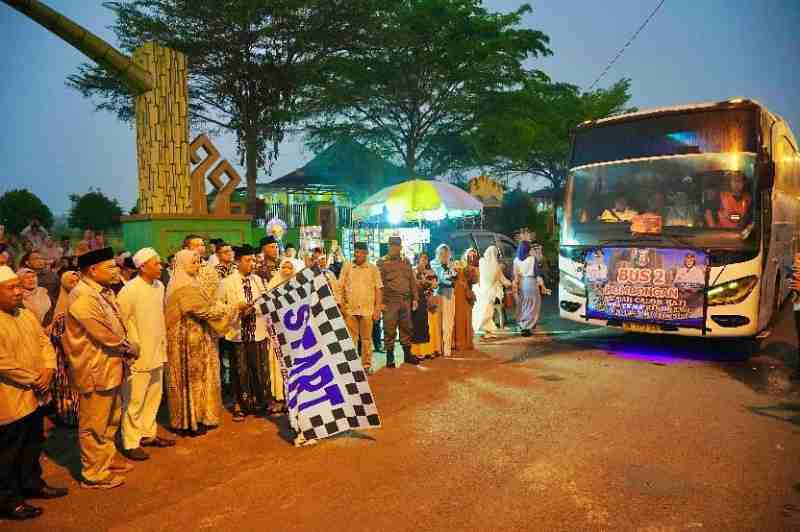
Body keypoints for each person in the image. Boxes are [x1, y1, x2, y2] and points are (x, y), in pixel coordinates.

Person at [63, 247, 140, 489]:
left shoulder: (102, 291)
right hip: (94, 368)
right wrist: (129, 348)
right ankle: (93, 473)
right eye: (110, 267)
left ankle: (106, 458)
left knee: (111, 418)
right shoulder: (83, 296)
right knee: (94, 424)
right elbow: (105, 334)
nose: (116, 270)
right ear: (93, 270)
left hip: (110, 366)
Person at [0, 266, 68, 521]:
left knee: (33, 443)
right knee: (8, 452)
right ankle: (8, 501)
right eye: (11, 288)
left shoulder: (25, 314)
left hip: (36, 394)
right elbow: (3, 363)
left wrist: (48, 370)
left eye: (19, 286)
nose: (18, 292)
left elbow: (43, 342)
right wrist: (34, 379)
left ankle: (32, 484)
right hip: (10, 398)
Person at [165, 250, 235, 436]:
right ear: (182, 264)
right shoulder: (182, 286)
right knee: (189, 380)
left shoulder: (192, 283)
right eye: (193, 263)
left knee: (201, 380)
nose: (197, 266)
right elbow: (204, 310)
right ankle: (189, 421)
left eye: (198, 263)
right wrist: (231, 309)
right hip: (185, 343)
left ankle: (200, 416)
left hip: (199, 338)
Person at [117, 248, 175, 462]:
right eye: (156, 264)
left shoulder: (159, 286)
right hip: (138, 354)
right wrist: (132, 347)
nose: (160, 267)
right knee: (134, 400)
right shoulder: (129, 290)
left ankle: (148, 434)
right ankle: (131, 442)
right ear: (142, 267)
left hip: (158, 350)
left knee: (153, 397)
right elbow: (121, 322)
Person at [217, 245, 271, 420]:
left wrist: (254, 307)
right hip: (237, 333)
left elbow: (266, 301)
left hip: (258, 331)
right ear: (237, 262)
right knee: (240, 371)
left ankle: (260, 403)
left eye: (253, 260)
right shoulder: (226, 283)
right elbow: (219, 306)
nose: (252, 263)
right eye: (248, 260)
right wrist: (237, 308)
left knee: (259, 369)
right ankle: (240, 405)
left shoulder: (258, 280)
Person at [340, 242, 383, 374]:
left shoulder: (373, 269)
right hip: (350, 310)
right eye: (355, 251)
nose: (356, 254)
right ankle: (351, 366)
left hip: (367, 310)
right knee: (350, 339)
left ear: (366, 253)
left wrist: (377, 309)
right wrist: (343, 306)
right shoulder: (347, 267)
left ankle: (366, 365)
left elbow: (378, 289)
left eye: (359, 252)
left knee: (366, 340)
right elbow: (340, 287)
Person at [377, 236, 419, 367]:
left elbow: (412, 280)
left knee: (407, 328)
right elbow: (378, 285)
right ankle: (390, 357)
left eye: (396, 246)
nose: (394, 248)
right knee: (389, 329)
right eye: (392, 246)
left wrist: (415, 298)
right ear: (388, 247)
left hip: (405, 300)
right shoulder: (382, 262)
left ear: (400, 247)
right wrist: (380, 303)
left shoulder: (406, 261)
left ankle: (407, 355)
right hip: (390, 302)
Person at [48, 270, 81, 427]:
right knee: (67, 387)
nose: (75, 285)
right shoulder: (58, 308)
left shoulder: (83, 301)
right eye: (71, 282)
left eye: (77, 281)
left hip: (81, 354)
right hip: (63, 356)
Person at [266, 258, 298, 411]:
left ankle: (294, 396)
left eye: (289, 267)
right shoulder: (273, 283)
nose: (286, 270)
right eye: (284, 267)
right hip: (277, 331)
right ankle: (280, 396)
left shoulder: (299, 285)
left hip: (294, 332)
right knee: (279, 364)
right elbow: (267, 306)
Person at [473, 246, 511, 340]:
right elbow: (504, 281)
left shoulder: (482, 262)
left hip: (481, 292)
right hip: (492, 294)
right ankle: (489, 332)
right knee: (488, 312)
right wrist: (512, 283)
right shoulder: (496, 267)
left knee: (484, 311)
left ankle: (488, 331)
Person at [411, 251, 439, 360]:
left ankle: (430, 350)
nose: (424, 261)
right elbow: (413, 285)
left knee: (430, 327)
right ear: (418, 259)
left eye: (426, 259)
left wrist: (428, 282)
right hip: (418, 301)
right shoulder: (413, 271)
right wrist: (424, 282)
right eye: (422, 258)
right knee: (418, 326)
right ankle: (418, 352)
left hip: (429, 303)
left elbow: (435, 285)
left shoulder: (431, 271)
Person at [513, 241, 545, 336]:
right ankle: (528, 326)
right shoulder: (532, 259)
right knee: (534, 304)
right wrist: (542, 285)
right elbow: (537, 274)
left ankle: (522, 324)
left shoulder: (516, 260)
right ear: (528, 249)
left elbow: (515, 276)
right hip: (531, 283)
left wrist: (516, 286)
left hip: (521, 283)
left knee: (523, 304)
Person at [431, 244, 457, 357]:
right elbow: (439, 279)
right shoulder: (433, 264)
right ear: (437, 253)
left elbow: (453, 279)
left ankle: (447, 348)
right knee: (436, 322)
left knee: (448, 322)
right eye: (441, 253)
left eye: (446, 253)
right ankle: (437, 348)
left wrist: (447, 267)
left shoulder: (451, 265)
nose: (444, 255)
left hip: (448, 294)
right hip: (436, 295)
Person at [19, 250, 59, 324]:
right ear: (27, 262)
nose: (40, 261)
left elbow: (57, 296)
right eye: (36, 259)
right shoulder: (17, 296)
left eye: (42, 258)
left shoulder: (52, 277)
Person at [454, 251, 479, 351]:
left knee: (467, 318)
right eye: (470, 255)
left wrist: (473, 269)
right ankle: (459, 342)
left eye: (474, 255)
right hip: (459, 295)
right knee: (460, 318)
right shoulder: (459, 266)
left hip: (467, 295)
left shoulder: (472, 268)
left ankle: (467, 342)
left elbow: (474, 280)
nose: (472, 257)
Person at [183, 235, 220, 301]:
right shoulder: (180, 268)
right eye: (197, 245)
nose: (201, 248)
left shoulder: (209, 268)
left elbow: (214, 291)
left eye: (202, 245)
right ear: (186, 249)